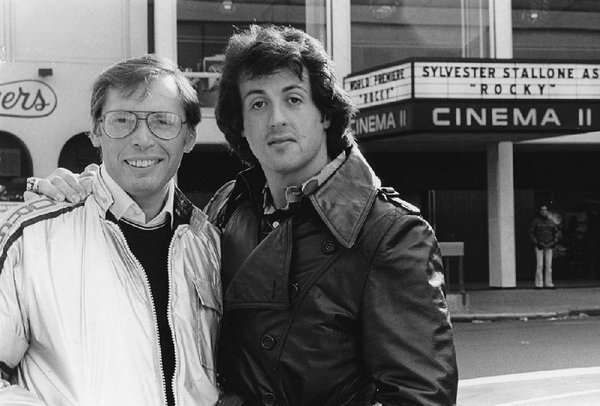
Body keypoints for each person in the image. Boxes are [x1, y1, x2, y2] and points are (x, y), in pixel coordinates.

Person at [27, 25, 458, 405]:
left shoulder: (390, 232)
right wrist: (90, 192)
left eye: (293, 98)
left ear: (325, 112)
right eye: (257, 104)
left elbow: (419, 397)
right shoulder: (228, 207)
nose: (276, 119)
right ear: (239, 122)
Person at [0, 55, 221, 405]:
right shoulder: (32, 235)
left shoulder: (206, 240)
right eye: (123, 121)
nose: (142, 140)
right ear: (96, 131)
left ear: (190, 136)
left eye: (163, 121)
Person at [530, 204, 559, 289]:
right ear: (539, 211)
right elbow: (532, 233)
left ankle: (549, 283)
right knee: (539, 265)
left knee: (548, 265)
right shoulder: (536, 221)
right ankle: (539, 284)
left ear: (547, 211)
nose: (544, 211)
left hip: (549, 245)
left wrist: (554, 242)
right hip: (539, 245)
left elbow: (556, 233)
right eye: (542, 210)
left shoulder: (551, 222)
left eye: (545, 210)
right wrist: (536, 242)